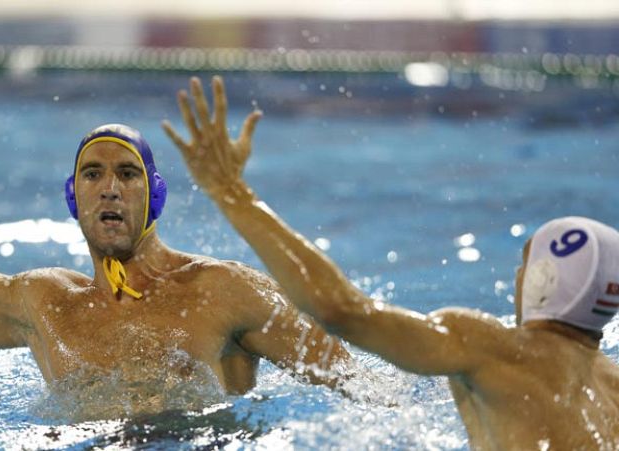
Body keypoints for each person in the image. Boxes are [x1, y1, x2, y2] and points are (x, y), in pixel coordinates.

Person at [163, 75, 619, 449]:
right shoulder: (612, 389)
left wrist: (231, 192)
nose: (518, 276)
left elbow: (342, 310)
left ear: (543, 278)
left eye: (526, 265)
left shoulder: (492, 349)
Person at [0, 66, 352, 417]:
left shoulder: (224, 290)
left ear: (156, 196)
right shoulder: (45, 303)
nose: (109, 187)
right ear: (74, 197)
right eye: (93, 174)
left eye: (127, 174)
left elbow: (357, 385)